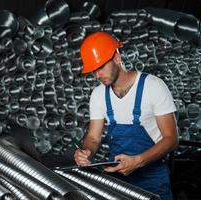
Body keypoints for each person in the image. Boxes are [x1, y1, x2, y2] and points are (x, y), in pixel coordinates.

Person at [74, 32, 178, 200]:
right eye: (94, 70)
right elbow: (93, 137)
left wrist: (138, 161)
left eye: (101, 67)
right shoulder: (98, 94)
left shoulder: (153, 87)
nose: (97, 75)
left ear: (116, 58)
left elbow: (171, 139)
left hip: (153, 180)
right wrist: (86, 152)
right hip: (118, 181)